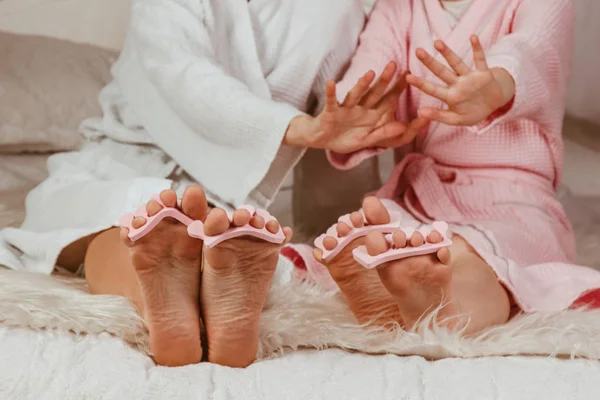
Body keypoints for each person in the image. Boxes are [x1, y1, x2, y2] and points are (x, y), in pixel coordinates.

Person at [0, 0, 427, 367]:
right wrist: (305, 138)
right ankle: (200, 289)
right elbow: (183, 79)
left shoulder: (337, 9)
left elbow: (336, 112)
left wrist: (331, 149)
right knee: (139, 217)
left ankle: (168, 296)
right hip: (153, 171)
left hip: (183, 189)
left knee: (119, 227)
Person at [286, 0, 600, 335]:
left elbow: (533, 50)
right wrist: (352, 113)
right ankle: (379, 285)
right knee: (362, 242)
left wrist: (496, 84)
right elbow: (371, 68)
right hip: (422, 198)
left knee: (482, 256)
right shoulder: (398, 9)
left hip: (514, 200)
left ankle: (445, 307)